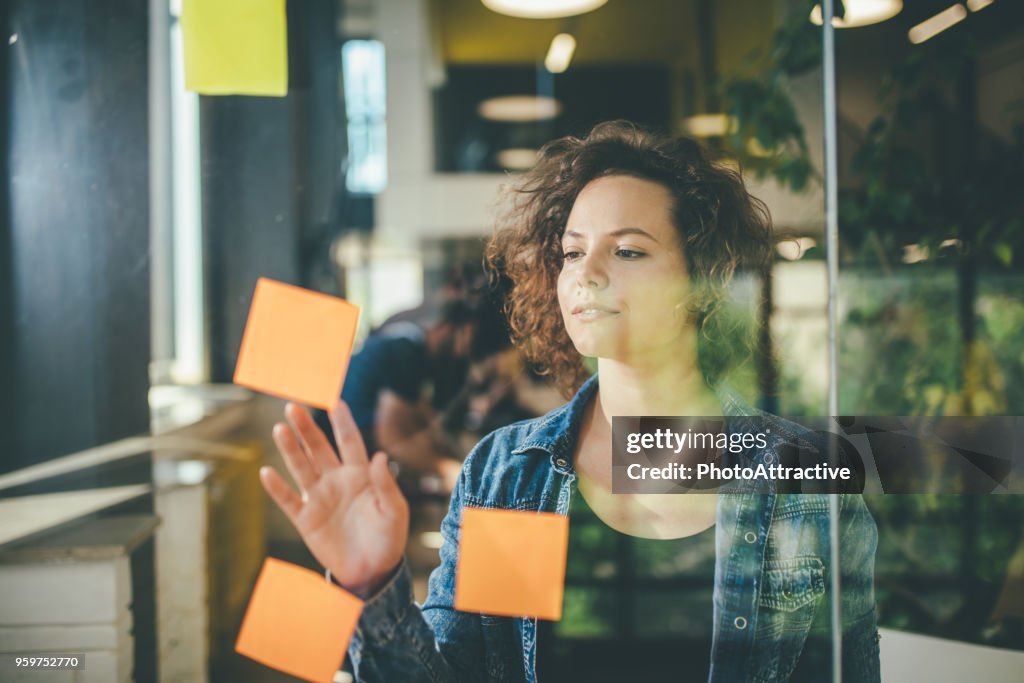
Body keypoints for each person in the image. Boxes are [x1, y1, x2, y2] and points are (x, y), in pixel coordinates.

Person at [259, 121, 881, 682]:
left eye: (629, 250)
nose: (586, 273)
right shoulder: (508, 475)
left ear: (704, 281)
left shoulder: (806, 485)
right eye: (574, 251)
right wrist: (373, 584)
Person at [313, 297, 477, 492]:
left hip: (344, 448)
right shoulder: (406, 353)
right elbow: (394, 441)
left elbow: (418, 415)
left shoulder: (405, 343)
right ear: (443, 328)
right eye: (463, 339)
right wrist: (450, 470)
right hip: (336, 453)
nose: (462, 350)